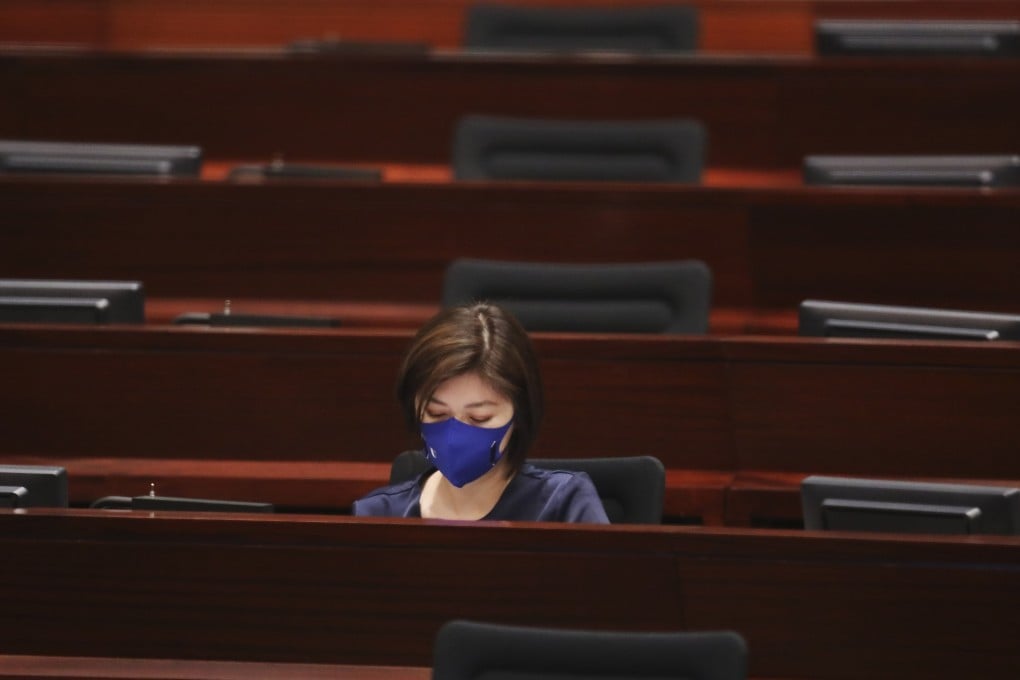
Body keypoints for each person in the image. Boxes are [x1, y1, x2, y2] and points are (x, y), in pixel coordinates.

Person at [352, 302, 609, 523]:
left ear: (518, 414)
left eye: (479, 418)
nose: (455, 435)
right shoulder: (377, 513)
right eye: (436, 414)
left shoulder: (564, 505)